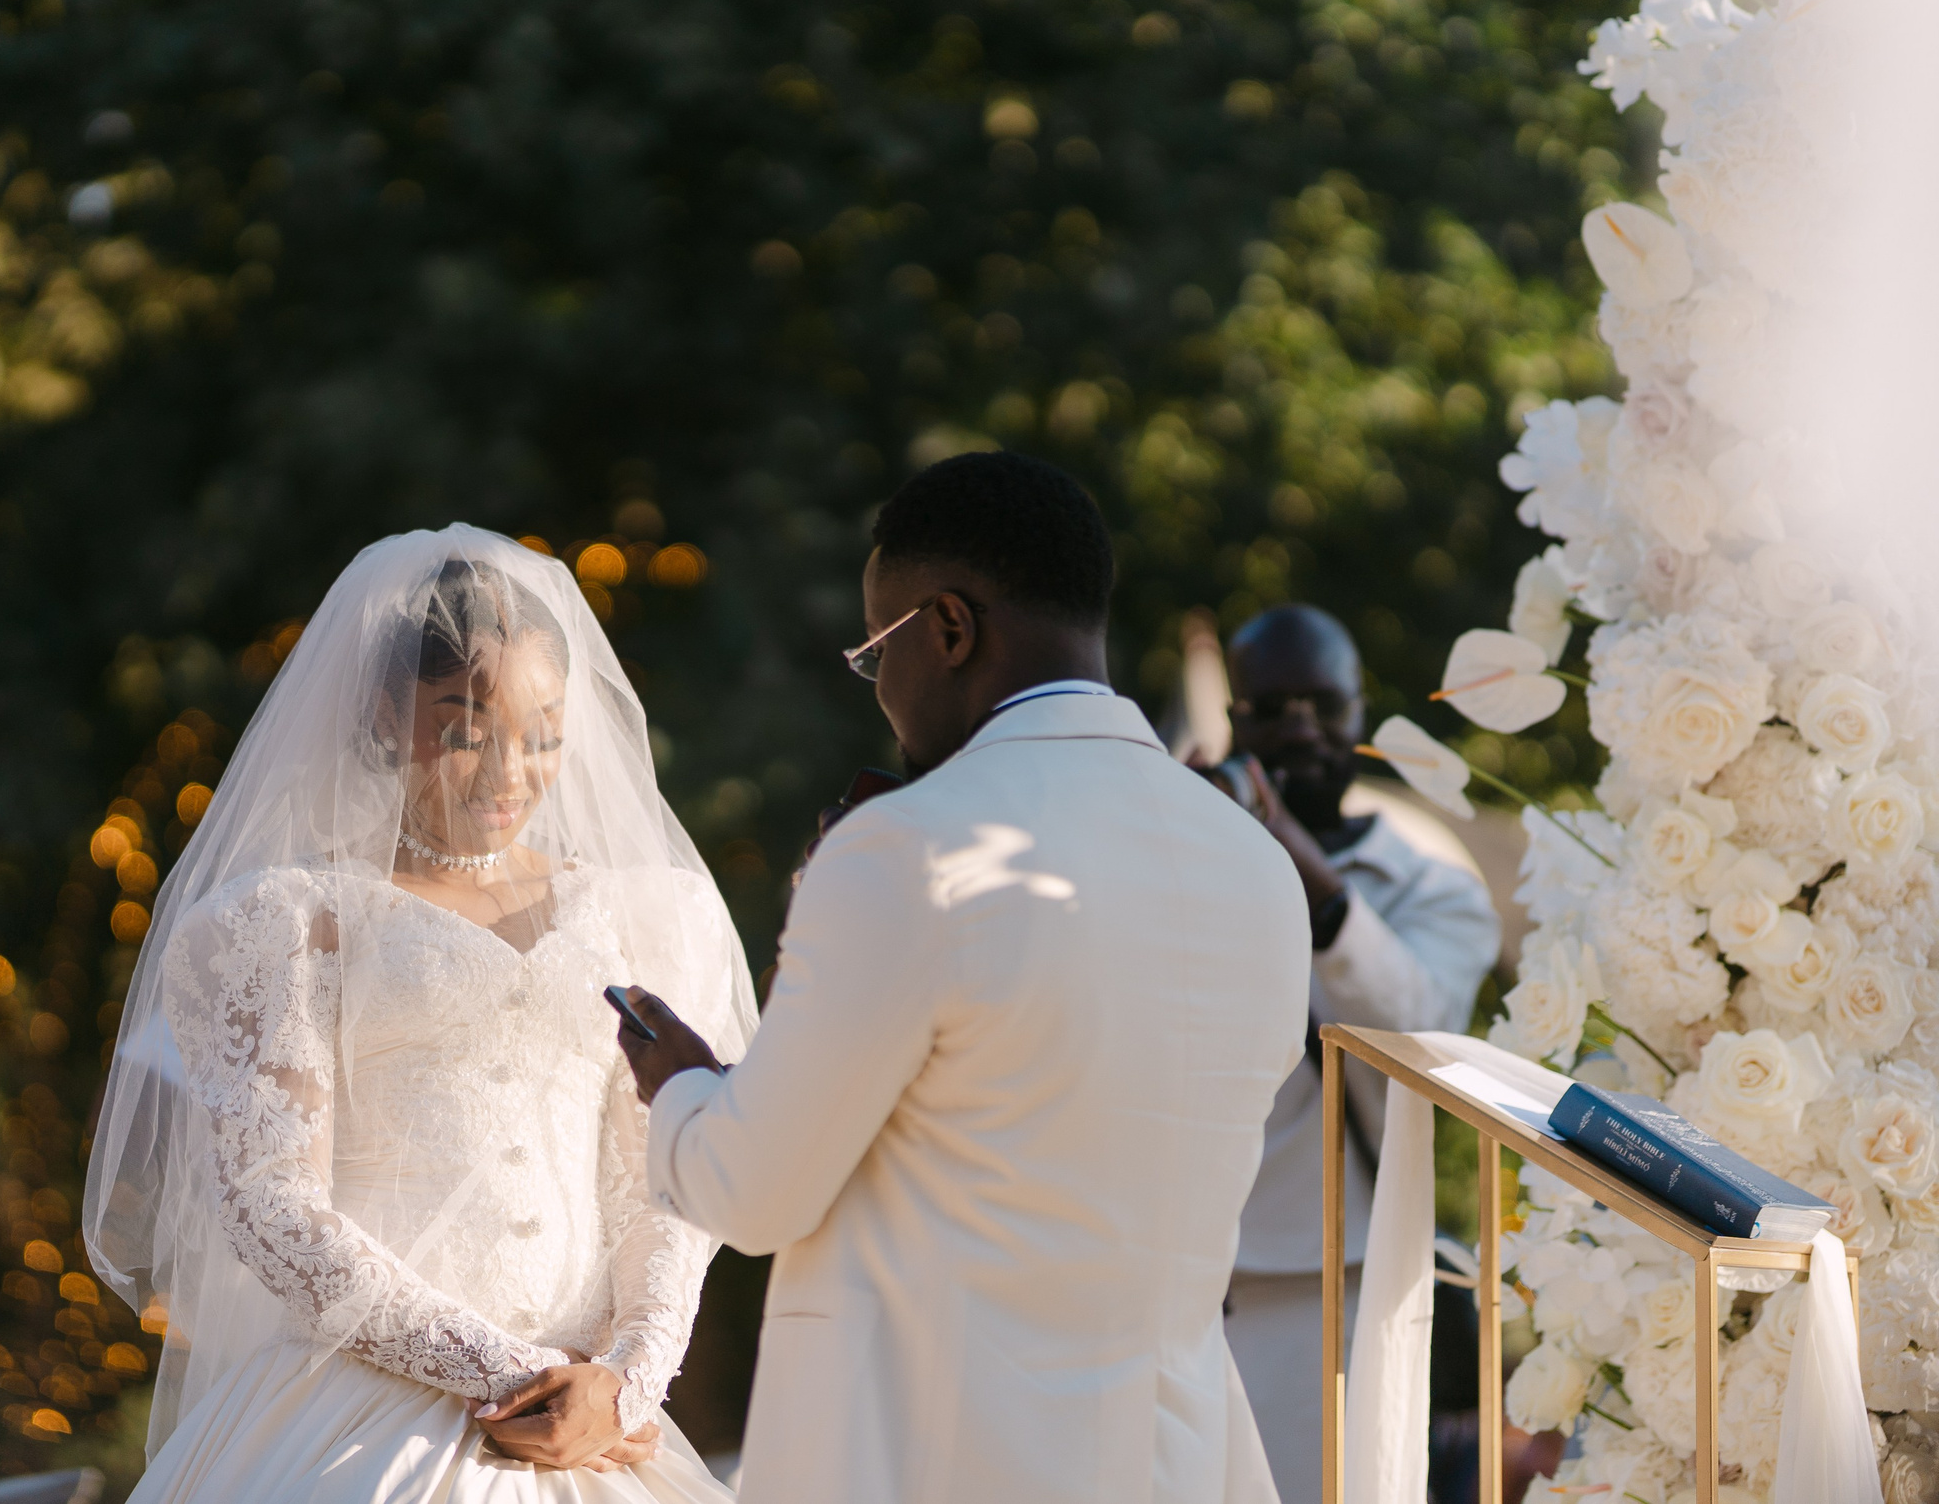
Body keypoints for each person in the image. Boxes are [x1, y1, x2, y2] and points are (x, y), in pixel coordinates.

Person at [617, 451, 1310, 1504]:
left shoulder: (909, 845)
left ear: (947, 627)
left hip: (936, 1455)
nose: (880, 691)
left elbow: (753, 1188)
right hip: (1179, 1459)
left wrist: (681, 1087)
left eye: (875, 651)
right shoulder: (1255, 865)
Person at [83, 529, 759, 1503]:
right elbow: (275, 1206)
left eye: (544, 734)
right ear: (383, 715)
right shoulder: (289, 923)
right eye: (467, 727)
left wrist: (625, 1380)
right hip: (361, 1413)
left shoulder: (646, 916)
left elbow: (659, 1179)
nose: (508, 770)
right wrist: (509, 1376)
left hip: (594, 1416)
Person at [1212, 605, 1500, 1504]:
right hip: (1189, 1283)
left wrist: (1298, 862)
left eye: (1320, 705)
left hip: (1348, 1284)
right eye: (1269, 707)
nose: (1297, 728)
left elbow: (1416, 1034)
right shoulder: (1190, 859)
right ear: (1234, 723)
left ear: (1359, 715)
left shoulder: (1433, 883)